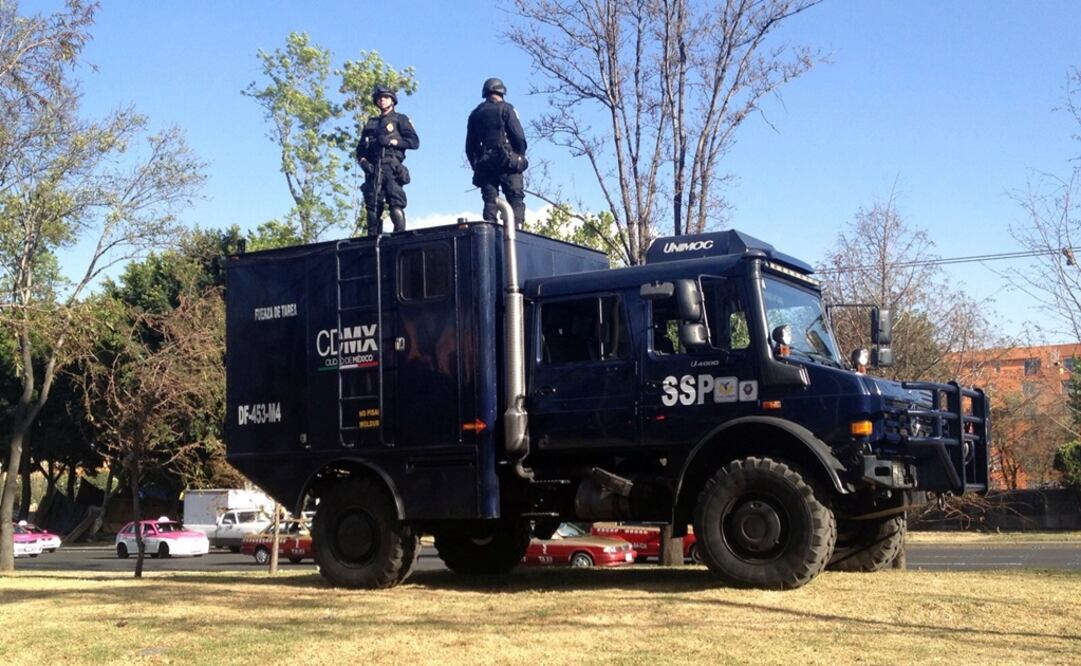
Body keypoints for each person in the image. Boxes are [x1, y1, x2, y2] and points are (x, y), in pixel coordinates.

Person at [356, 85, 419, 236]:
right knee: (372, 207)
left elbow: (414, 142)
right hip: (373, 168)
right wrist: (364, 162)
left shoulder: (400, 119)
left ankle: (399, 235)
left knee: (395, 203)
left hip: (391, 164)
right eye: (379, 98)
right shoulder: (371, 123)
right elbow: (360, 149)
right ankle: (372, 239)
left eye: (385, 97)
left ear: (392, 100)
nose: (382, 100)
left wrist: (392, 142)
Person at [465, 77, 528, 227]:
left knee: (490, 202)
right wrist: (518, 156)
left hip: (485, 164)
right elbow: (518, 137)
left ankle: (490, 236)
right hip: (507, 162)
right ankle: (515, 234)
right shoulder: (507, 108)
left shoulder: (475, 114)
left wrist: (477, 165)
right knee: (515, 199)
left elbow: (469, 147)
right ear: (501, 92)